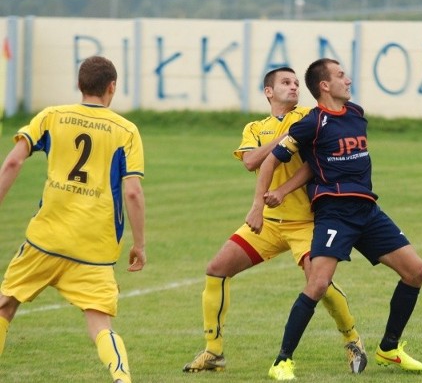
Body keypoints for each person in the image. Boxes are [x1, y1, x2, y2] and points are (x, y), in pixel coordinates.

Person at [246, 58, 422, 380]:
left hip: (367, 211)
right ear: (325, 86)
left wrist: (287, 189)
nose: (348, 79)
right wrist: (259, 206)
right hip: (334, 214)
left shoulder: (356, 114)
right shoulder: (310, 124)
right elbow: (268, 162)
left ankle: (389, 349)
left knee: (416, 271)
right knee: (317, 284)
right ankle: (282, 361)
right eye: (341, 75)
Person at [182, 66, 366, 374]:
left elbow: (312, 164)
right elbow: (252, 161)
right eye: (286, 82)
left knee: (318, 283)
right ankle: (214, 352)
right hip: (267, 222)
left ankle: (353, 341)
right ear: (269, 91)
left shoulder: (310, 117)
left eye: (296, 83)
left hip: (306, 221)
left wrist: (293, 135)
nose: (294, 87)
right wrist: (288, 137)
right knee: (216, 269)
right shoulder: (255, 127)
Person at [0, 55, 146, 383]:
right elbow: (133, 192)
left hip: (46, 238)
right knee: (100, 323)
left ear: (79, 85)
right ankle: (122, 378)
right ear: (112, 87)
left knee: (5, 305)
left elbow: (12, 163)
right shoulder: (126, 130)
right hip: (94, 248)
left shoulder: (52, 117)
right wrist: (139, 244)